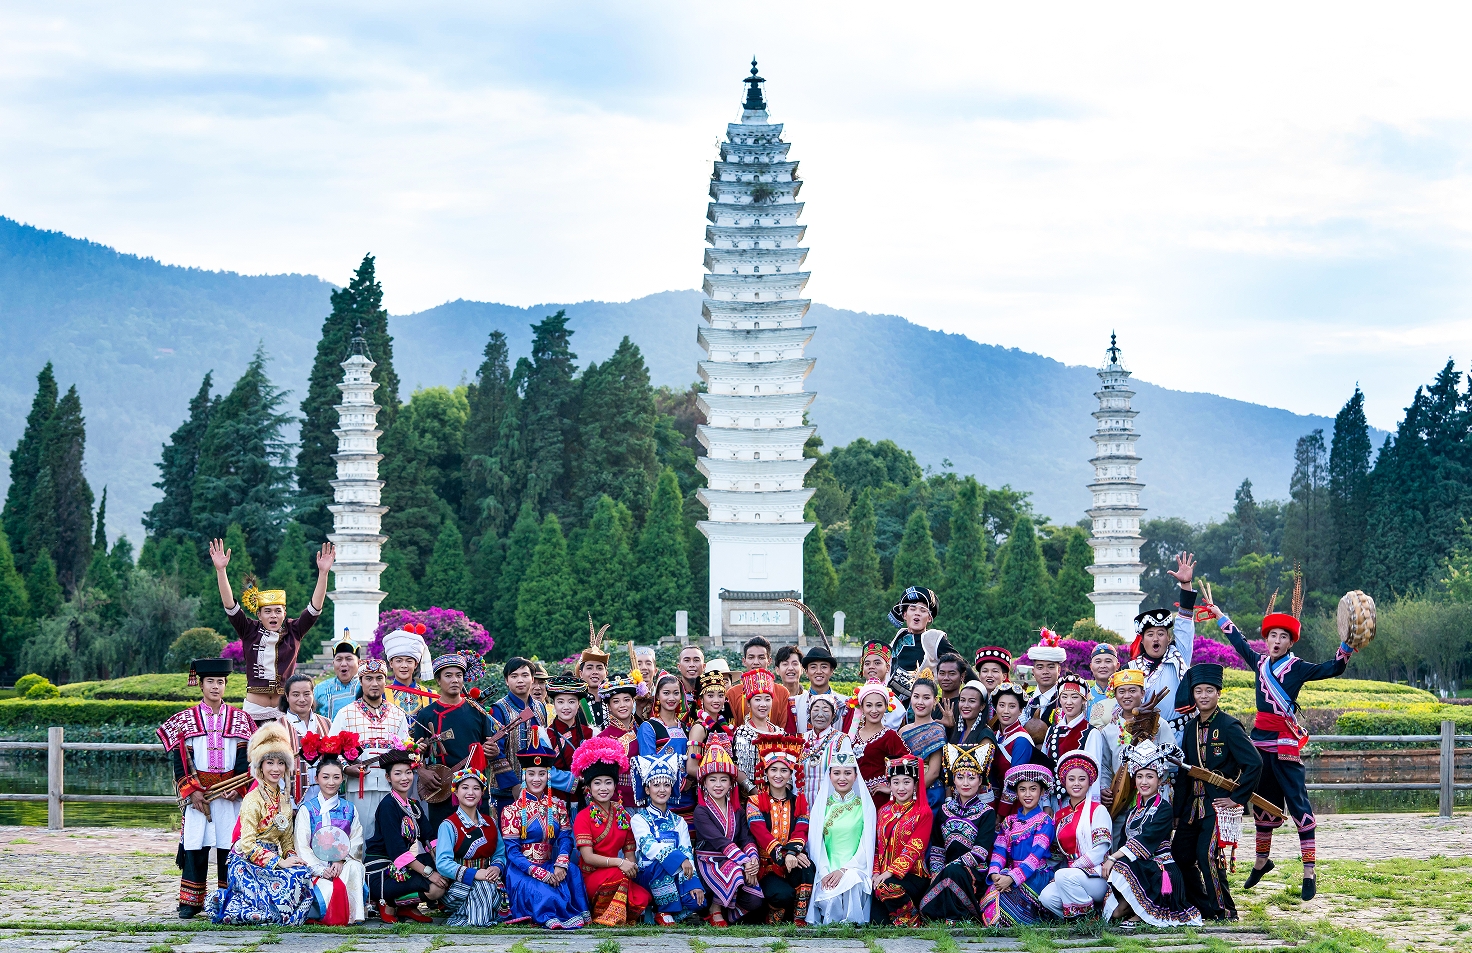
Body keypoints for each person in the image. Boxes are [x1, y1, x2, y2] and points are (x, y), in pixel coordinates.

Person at [1205, 588, 1355, 903]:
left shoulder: (1298, 668)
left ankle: (1309, 871)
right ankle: (1261, 861)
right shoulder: (1259, 663)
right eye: (1271, 635)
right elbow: (1239, 643)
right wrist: (1220, 616)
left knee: (1299, 806)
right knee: (1262, 803)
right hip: (1258, 745)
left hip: (1285, 745)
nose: (1275, 641)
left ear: (1290, 642)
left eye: (1282, 637)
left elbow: (1333, 668)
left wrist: (1346, 645)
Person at [157, 658, 254, 918]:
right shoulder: (184, 719)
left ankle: (229, 898)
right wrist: (193, 791)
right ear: (200, 685)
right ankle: (191, 901)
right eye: (210, 681)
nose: (215, 686)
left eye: (220, 682)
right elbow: (180, 761)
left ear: (225, 685)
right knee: (195, 846)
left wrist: (240, 788)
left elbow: (247, 760)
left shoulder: (241, 719)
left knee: (228, 846)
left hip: (230, 793)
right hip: (199, 795)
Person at [210, 537, 334, 725]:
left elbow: (315, 608)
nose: (273, 616)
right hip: (253, 710)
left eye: (278, 611)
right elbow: (230, 605)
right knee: (254, 754)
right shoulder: (248, 630)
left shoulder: (295, 630)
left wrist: (323, 574)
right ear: (259, 615)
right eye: (267, 611)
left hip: (284, 711)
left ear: (285, 613)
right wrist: (221, 570)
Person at [1171, 662, 1261, 921]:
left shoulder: (1229, 725)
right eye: (1198, 691)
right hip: (1192, 806)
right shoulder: (1189, 728)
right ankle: (1204, 907)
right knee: (1180, 855)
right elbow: (1184, 773)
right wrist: (1178, 812)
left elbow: (1254, 763)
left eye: (1209, 690)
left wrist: (1236, 799)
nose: (1203, 696)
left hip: (1218, 804)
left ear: (1218, 693)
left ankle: (1225, 911)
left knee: (1207, 854)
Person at [207, 722, 314, 925]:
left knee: (301, 873)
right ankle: (225, 902)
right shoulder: (252, 799)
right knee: (275, 905)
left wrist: (292, 858)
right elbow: (246, 844)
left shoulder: (283, 798)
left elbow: (286, 840)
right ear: (260, 766)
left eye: (280, 763)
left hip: (272, 860)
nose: (276, 769)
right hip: (246, 863)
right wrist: (279, 862)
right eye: (270, 763)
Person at [411, 652, 517, 831]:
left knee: (479, 838)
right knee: (443, 840)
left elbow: (490, 748)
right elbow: (414, 752)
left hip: (474, 788)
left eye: (459, 675)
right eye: (448, 675)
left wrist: (491, 751)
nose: (454, 680)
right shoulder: (426, 714)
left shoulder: (477, 711)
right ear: (438, 680)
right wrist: (422, 771)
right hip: (441, 787)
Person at [1103, 740, 1203, 927]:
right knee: (1115, 914)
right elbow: (1125, 842)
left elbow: (1145, 839)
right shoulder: (1133, 812)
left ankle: (1142, 912)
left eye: (1149, 776)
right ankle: (1134, 906)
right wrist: (1115, 857)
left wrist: (1113, 858)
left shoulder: (1164, 809)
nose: (1144, 782)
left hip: (1159, 869)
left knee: (1121, 864)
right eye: (1139, 776)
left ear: (1160, 779)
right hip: (1140, 869)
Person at [501, 724, 590, 929]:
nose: (536, 779)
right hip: (523, 869)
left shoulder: (558, 806)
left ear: (548, 775)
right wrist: (539, 872)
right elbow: (512, 853)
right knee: (544, 891)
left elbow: (566, 838)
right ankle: (548, 915)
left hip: (550, 863)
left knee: (573, 872)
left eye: (542, 773)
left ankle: (571, 912)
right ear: (524, 776)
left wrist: (561, 862)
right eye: (531, 774)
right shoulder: (512, 811)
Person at [572, 736, 650, 926]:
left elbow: (630, 853)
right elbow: (588, 857)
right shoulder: (583, 816)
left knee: (643, 897)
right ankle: (605, 916)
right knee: (618, 877)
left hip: (619, 872)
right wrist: (620, 863)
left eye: (608, 782)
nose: (603, 788)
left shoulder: (623, 814)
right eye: (597, 783)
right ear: (589, 787)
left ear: (615, 785)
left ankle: (613, 913)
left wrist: (630, 866)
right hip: (592, 875)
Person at [330, 657, 410, 840]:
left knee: (392, 837)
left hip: (391, 786)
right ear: (360, 681)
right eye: (369, 678)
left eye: (379, 678)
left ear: (386, 681)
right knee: (360, 838)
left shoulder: (398, 714)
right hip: (359, 788)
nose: (374, 683)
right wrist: (345, 768)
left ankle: (392, 870)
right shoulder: (346, 713)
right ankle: (359, 870)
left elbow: (405, 751)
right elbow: (332, 750)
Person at [365, 745, 447, 923]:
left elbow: (429, 838)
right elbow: (398, 853)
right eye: (398, 773)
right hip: (382, 870)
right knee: (435, 889)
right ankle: (391, 903)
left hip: (401, 867)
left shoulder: (413, 805)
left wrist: (443, 860)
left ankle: (406, 906)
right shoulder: (388, 806)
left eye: (408, 772)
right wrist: (429, 872)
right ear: (388, 777)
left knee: (447, 871)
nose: (404, 778)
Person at [920, 742, 998, 922]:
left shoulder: (987, 812)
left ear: (980, 780)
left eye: (971, 778)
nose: (965, 783)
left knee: (954, 872)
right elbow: (938, 848)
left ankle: (959, 915)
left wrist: (948, 869)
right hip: (947, 870)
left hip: (974, 872)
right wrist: (937, 872)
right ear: (953, 780)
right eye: (960, 777)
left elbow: (980, 853)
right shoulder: (945, 810)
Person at [805, 733, 876, 925]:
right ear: (829, 775)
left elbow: (866, 846)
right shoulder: (822, 807)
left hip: (855, 871)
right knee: (830, 896)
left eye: (847, 773)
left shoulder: (865, 807)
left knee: (851, 881)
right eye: (837, 773)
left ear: (855, 776)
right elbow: (817, 847)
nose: (842, 778)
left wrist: (845, 870)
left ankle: (852, 921)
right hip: (826, 871)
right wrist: (826, 872)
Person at [631, 746, 706, 924]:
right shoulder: (639, 818)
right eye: (656, 785)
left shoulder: (679, 821)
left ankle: (677, 909)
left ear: (672, 788)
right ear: (647, 790)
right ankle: (664, 912)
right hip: (648, 874)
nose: (662, 789)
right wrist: (679, 859)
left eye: (666, 784)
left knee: (698, 901)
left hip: (677, 872)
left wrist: (693, 883)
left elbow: (687, 852)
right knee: (660, 865)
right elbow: (649, 847)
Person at [293, 745, 367, 925]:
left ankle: (353, 915)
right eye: (325, 777)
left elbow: (356, 840)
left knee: (356, 867)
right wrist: (320, 869)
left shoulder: (349, 808)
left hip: (341, 866)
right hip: (315, 868)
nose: (331, 782)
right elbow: (302, 846)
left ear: (342, 778)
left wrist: (341, 860)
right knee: (323, 886)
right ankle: (327, 911)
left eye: (336, 777)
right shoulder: (307, 809)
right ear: (317, 778)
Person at [691, 743, 763, 925]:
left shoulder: (737, 809)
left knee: (755, 900)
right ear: (704, 783)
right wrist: (745, 862)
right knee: (737, 872)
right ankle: (715, 908)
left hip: (734, 859)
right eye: (712, 779)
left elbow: (745, 838)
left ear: (731, 783)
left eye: (723, 779)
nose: (718, 785)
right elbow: (720, 841)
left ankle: (728, 908)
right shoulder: (701, 811)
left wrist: (753, 860)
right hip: (709, 861)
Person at [1124, 552, 1199, 727]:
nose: (1156, 638)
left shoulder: (1179, 655)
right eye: (1150, 634)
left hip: (1180, 735)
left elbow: (1184, 626)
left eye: (1161, 633)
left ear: (1168, 638)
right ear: (1142, 641)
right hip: (1145, 737)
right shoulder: (1131, 668)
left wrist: (1186, 584)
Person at [745, 735, 812, 924]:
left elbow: (801, 830)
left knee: (808, 868)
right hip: (766, 867)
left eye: (784, 770)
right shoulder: (754, 802)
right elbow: (761, 833)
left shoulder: (799, 802)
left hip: (791, 857)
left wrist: (793, 852)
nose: (778, 775)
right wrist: (785, 854)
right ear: (765, 772)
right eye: (773, 769)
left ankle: (800, 920)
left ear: (791, 773)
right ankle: (773, 918)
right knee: (783, 895)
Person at [979, 763, 1056, 927]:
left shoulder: (1045, 821)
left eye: (1033, 789)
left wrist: (1012, 878)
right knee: (993, 892)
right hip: (1009, 873)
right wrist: (995, 875)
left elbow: (1035, 857)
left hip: (1034, 875)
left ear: (1042, 792)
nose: (1027, 794)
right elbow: (999, 852)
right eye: (1022, 789)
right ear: (1016, 792)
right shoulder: (1009, 821)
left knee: (1007, 900)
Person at [1039, 750, 1112, 921]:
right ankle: (1087, 916)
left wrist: (1074, 868)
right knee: (1046, 897)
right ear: (1064, 782)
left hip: (1096, 875)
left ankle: (1085, 921)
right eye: (1071, 779)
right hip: (1070, 876)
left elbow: (1100, 851)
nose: (1076, 784)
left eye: (1082, 779)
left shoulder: (1097, 810)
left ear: (1089, 782)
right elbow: (1056, 853)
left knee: (1063, 876)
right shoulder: (1060, 815)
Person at [434, 768, 508, 927]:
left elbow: (500, 855)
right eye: (465, 787)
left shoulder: (491, 823)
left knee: (487, 886)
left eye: (476, 788)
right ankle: (478, 918)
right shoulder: (448, 825)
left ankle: (474, 914)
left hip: (489, 878)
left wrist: (495, 868)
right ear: (456, 792)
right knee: (483, 887)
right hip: (456, 885)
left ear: (482, 793)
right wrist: (475, 874)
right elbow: (442, 863)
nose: (471, 792)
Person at [869, 754, 932, 927]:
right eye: (896, 782)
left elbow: (914, 848)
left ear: (915, 784)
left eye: (906, 782)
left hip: (913, 875)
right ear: (889, 785)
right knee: (877, 922)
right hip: (883, 875)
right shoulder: (883, 811)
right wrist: (875, 873)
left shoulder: (923, 812)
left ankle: (913, 921)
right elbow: (877, 847)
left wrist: (888, 873)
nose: (901, 788)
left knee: (885, 887)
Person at [491, 656, 551, 812]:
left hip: (538, 786)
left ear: (532, 678)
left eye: (525, 675)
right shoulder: (499, 709)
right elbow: (496, 752)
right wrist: (514, 785)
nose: (520, 680)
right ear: (506, 680)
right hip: (507, 791)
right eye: (514, 676)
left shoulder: (540, 707)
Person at [636, 674, 696, 815]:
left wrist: (690, 780)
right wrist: (680, 783)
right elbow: (648, 765)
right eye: (666, 693)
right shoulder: (649, 727)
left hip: (689, 800)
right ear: (657, 695)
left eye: (676, 693)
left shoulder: (685, 727)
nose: (671, 698)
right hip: (661, 800)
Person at [1040, 674, 1107, 801]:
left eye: (1075, 697)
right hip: (1052, 800)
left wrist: (1091, 807)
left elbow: (1094, 775)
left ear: (1083, 700)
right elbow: (1045, 770)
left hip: (1079, 801)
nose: (1068, 702)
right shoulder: (1052, 730)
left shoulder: (1091, 733)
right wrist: (1045, 803)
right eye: (1064, 697)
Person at [886, 586, 956, 704]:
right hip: (889, 706)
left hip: (920, 707)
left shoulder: (934, 639)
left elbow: (960, 666)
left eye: (923, 610)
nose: (917, 613)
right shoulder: (898, 638)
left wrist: (978, 691)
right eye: (912, 609)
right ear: (904, 615)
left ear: (929, 618)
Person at [847, 680, 909, 809]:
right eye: (869, 705)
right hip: (854, 797)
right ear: (861, 707)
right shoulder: (853, 736)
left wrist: (891, 788)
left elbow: (908, 763)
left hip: (879, 799)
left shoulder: (890, 736)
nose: (874, 710)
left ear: (886, 707)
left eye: (879, 705)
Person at [732, 667, 786, 796]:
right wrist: (754, 791)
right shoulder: (742, 733)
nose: (763, 704)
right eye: (757, 699)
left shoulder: (780, 733)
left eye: (767, 699)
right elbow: (739, 769)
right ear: (749, 703)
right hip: (752, 797)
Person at [898, 676, 948, 809]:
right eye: (916, 696)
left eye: (926, 698)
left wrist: (911, 792)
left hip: (929, 794)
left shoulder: (937, 730)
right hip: (903, 792)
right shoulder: (903, 731)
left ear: (935, 701)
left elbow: (934, 772)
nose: (920, 702)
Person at [280, 673, 332, 801]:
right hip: (294, 798)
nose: (302, 699)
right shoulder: (278, 727)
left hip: (325, 796)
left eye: (307, 694)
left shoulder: (326, 723)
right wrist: (288, 802)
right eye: (296, 695)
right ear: (287, 696)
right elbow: (274, 769)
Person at [726, 637, 794, 730]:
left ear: (769, 661)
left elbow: (785, 728)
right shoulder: (732, 693)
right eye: (751, 657)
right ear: (744, 661)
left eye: (761, 657)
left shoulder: (782, 693)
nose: (756, 662)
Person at [598, 672, 643, 808]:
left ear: (633, 702)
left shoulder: (644, 731)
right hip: (616, 804)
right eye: (616, 701)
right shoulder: (602, 739)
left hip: (646, 800)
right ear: (609, 707)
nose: (622, 705)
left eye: (626, 699)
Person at [991, 682, 1034, 821]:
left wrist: (1000, 815)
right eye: (1002, 705)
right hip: (993, 802)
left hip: (1013, 808)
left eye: (1012, 706)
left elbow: (1014, 781)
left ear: (1021, 710)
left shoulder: (1021, 739)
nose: (1006, 711)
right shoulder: (995, 734)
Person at [686, 671, 736, 786]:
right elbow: (691, 768)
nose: (716, 700)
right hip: (710, 790)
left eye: (720, 695)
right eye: (710, 695)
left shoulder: (724, 723)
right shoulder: (700, 727)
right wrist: (716, 782)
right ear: (701, 699)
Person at [849, 642, 905, 730]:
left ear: (887, 668)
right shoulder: (852, 701)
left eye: (877, 663)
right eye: (867, 664)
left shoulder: (895, 703)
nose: (871, 667)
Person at [383, 624, 435, 720]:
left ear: (415, 664)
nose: (404, 665)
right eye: (399, 661)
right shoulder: (382, 695)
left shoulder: (430, 695)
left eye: (409, 661)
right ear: (391, 663)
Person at [798, 695, 839, 801]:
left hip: (829, 804)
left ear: (833, 715)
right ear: (809, 713)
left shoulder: (841, 740)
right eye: (816, 709)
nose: (820, 715)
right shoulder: (801, 739)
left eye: (825, 710)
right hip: (802, 804)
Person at [1022, 628, 1066, 728]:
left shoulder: (1066, 699)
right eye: (1040, 667)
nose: (1045, 672)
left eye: (1051, 667)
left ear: (1059, 670)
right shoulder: (1025, 700)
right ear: (1033, 672)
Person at [793, 645, 842, 734]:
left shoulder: (844, 704)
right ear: (806, 671)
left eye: (824, 667)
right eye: (813, 667)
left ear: (831, 671)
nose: (819, 671)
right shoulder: (794, 704)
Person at [314, 638, 361, 721]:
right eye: (339, 659)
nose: (343, 664)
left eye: (348, 659)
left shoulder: (366, 687)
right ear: (333, 663)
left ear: (359, 663)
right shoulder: (320, 689)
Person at [578, 619, 613, 730]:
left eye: (599, 668)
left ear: (606, 673)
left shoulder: (613, 701)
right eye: (589, 668)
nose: (595, 672)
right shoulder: (575, 703)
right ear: (581, 673)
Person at [972, 646, 1014, 727]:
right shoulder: (973, 700)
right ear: (980, 675)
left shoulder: (1013, 702)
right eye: (985, 671)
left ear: (1004, 676)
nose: (989, 675)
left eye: (995, 671)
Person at [934, 652, 975, 733]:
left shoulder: (965, 706)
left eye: (952, 674)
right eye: (942, 673)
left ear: (962, 676)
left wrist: (953, 727)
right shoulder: (932, 704)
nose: (946, 678)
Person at [952, 680, 998, 746]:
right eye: (962, 700)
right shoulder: (959, 731)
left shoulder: (985, 735)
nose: (965, 705)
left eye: (972, 701)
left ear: (982, 706)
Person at [1087, 643, 1120, 721]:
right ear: (1091, 667)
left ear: (1117, 666)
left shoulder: (1123, 696)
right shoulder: (1084, 697)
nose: (1102, 666)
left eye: (1108, 661)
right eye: (1098, 662)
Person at [675, 645, 706, 719]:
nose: (692, 665)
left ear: (704, 666)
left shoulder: (710, 694)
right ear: (679, 667)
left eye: (696, 660)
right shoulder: (672, 694)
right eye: (687, 660)